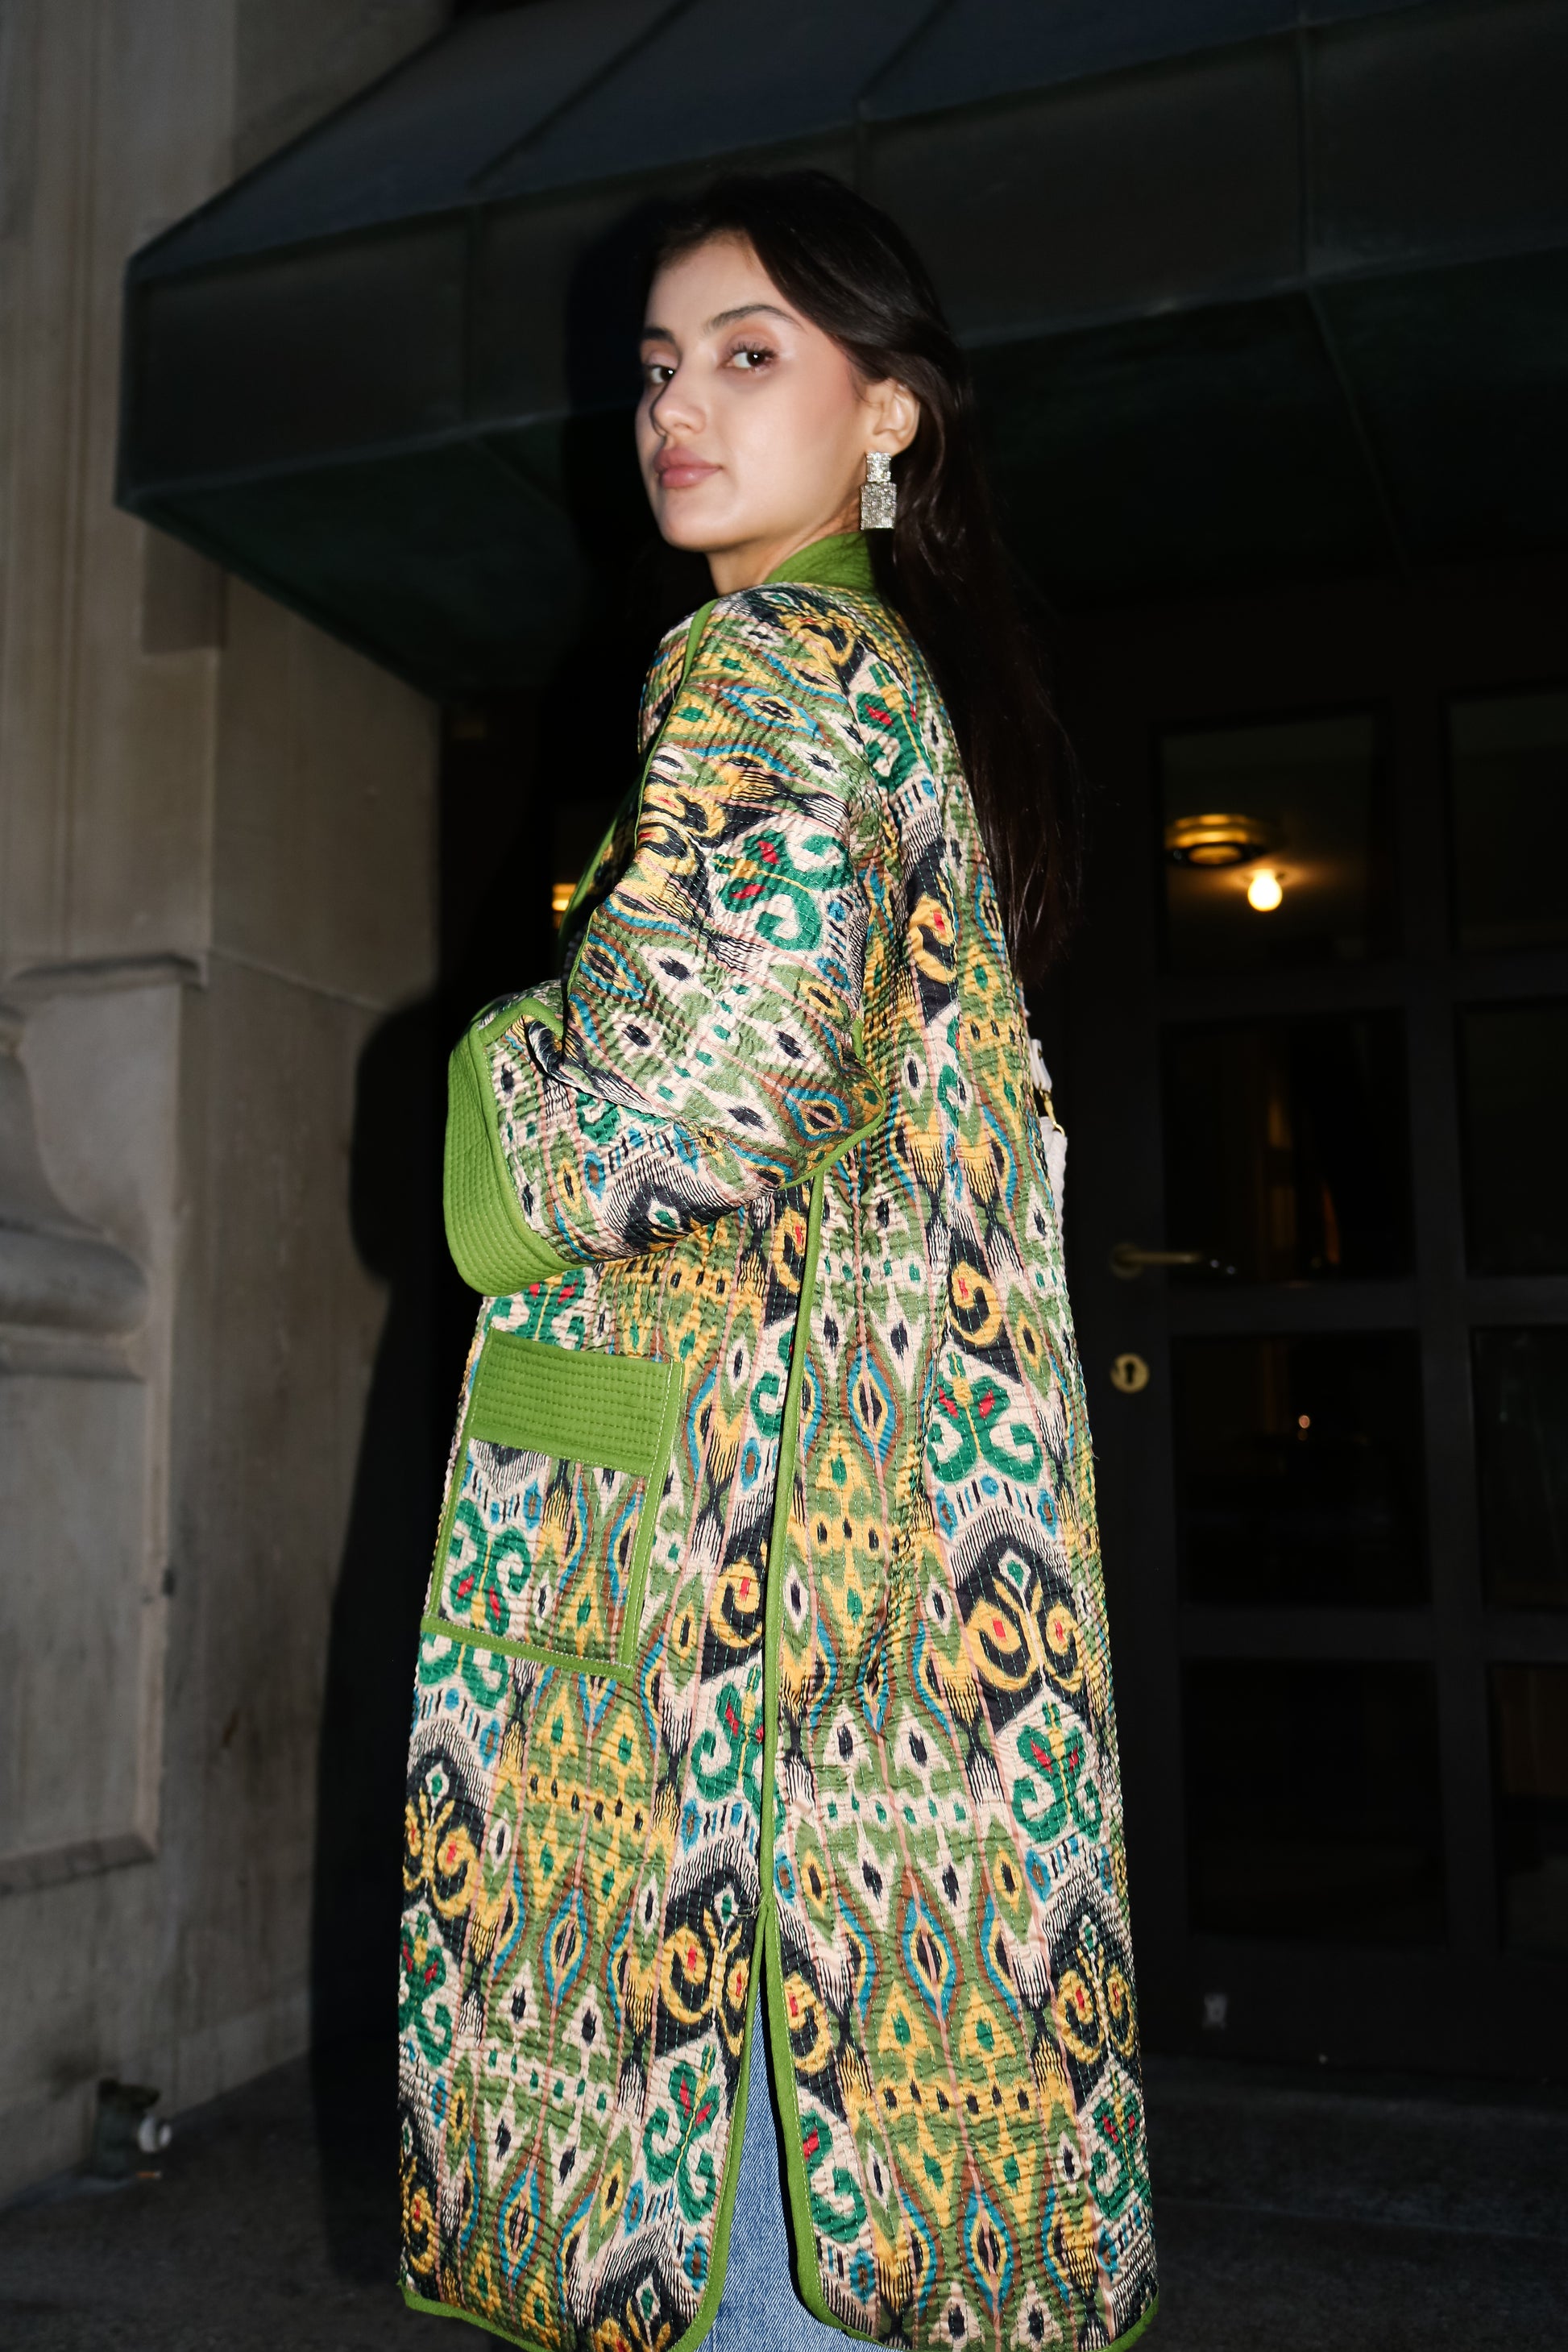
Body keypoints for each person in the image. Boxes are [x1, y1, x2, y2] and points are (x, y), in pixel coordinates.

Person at [398, 171, 1156, 2352]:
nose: (676, 410)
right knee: (846, 2187)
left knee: (733, 2176)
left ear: (888, 414)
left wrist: (490, 1088)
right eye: (657, 367)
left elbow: (695, 1089)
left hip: (729, 1602)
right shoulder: (887, 677)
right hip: (870, 1577)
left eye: (749, 357)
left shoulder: (767, 663)